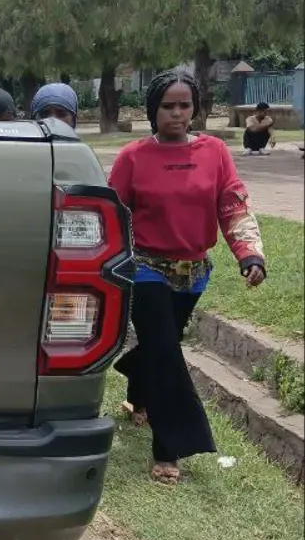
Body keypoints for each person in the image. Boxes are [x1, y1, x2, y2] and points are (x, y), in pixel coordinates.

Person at [108, 68, 266, 484]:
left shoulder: (214, 152)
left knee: (161, 347)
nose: (177, 114)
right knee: (165, 354)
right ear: (153, 110)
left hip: (193, 272)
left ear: (195, 108)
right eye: (168, 106)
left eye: (185, 106)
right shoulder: (132, 157)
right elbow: (113, 216)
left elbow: (232, 205)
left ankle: (137, 388)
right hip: (145, 268)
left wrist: (249, 254)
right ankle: (169, 449)